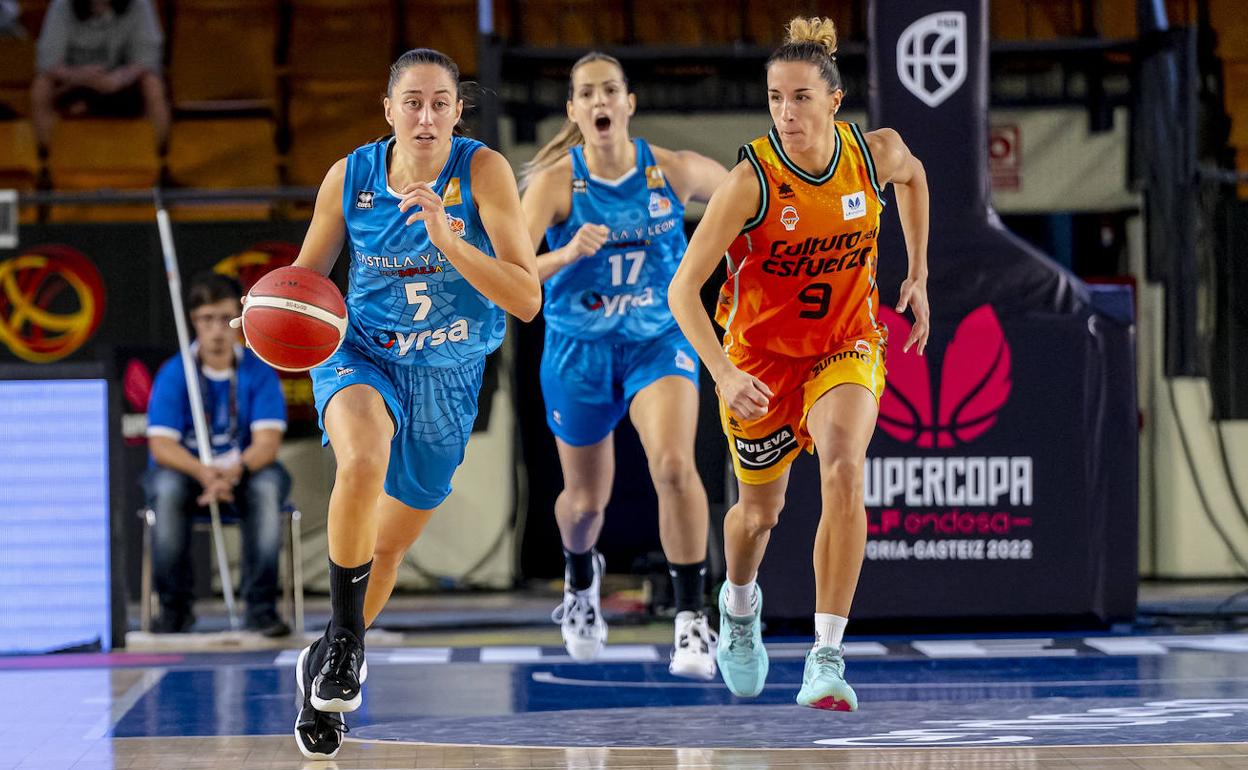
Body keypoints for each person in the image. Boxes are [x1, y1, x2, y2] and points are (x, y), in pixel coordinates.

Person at [266, 48, 540, 760]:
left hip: (448, 373)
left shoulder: (482, 172)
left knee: (387, 548)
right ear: (388, 110)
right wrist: (269, 312)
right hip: (362, 354)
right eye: (412, 101)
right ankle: (350, 644)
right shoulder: (350, 176)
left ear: (457, 110)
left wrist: (448, 239)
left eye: (440, 102)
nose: (426, 115)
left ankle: (322, 662)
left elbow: (525, 297)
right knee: (362, 459)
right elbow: (306, 280)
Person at [668, 17, 930, 711]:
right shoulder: (749, 182)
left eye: (801, 97)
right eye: (776, 98)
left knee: (844, 464)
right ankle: (741, 604)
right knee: (759, 515)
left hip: (846, 342)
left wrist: (919, 273)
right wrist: (724, 372)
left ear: (834, 101)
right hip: (760, 364)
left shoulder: (873, 155)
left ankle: (826, 655)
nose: (786, 112)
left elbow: (916, 177)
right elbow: (681, 290)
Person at [519, 52, 729, 679]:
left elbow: (755, 199)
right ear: (575, 111)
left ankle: (692, 619)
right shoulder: (557, 183)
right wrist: (565, 256)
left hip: (656, 341)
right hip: (578, 350)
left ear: (628, 102)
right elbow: (509, 271)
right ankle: (581, 579)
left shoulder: (673, 170)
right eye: (588, 93)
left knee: (672, 465)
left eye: (610, 90)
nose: (600, 101)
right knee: (585, 504)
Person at [144, 273, 291, 638]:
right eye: (206, 319)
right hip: (190, 476)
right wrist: (205, 474)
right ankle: (175, 611)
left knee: (268, 486)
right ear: (194, 322)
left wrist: (233, 473)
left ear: (238, 321)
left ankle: (261, 610)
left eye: (225, 318)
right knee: (166, 489)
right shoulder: (176, 373)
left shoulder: (259, 371)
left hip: (243, 474)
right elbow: (162, 446)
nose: (216, 330)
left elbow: (268, 443)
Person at [31, 0, 170, 153]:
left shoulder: (140, 4)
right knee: (41, 85)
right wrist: (79, 76)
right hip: (74, 81)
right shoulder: (61, 5)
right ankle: (48, 156)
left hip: (125, 83)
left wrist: (120, 78)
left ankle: (155, 155)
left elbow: (148, 58)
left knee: (153, 84)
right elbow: (47, 62)